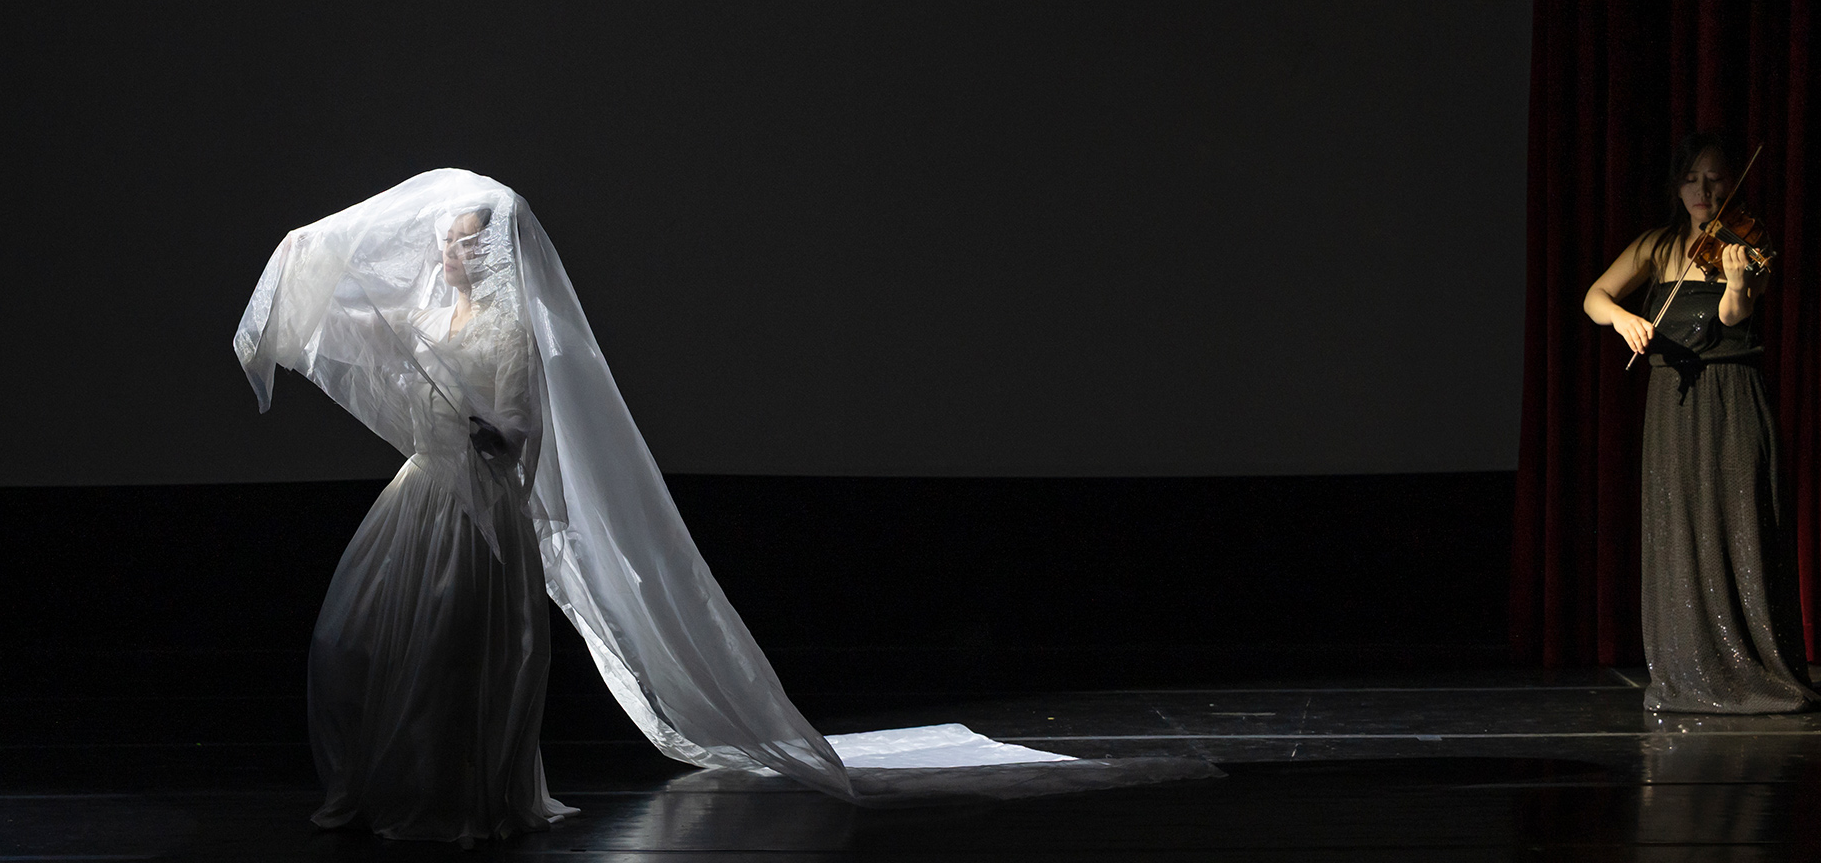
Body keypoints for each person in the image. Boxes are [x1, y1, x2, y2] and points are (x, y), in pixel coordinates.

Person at [234, 170, 1217, 844]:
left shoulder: (516, 330)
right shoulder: (431, 310)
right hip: (425, 500)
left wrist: (472, 425)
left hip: (480, 510)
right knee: (366, 641)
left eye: (463, 242)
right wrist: (311, 273)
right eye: (445, 242)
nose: (449, 253)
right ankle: (391, 786)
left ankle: (462, 799)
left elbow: (519, 430)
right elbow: (370, 342)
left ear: (492, 252)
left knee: (459, 653)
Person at [1582, 133, 1815, 714]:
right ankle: (1689, 668)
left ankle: (1752, 670)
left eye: (1714, 179)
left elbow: (1734, 316)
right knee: (1679, 526)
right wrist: (1621, 319)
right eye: (1691, 179)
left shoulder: (1747, 244)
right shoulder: (1656, 245)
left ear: (1732, 183)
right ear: (1677, 186)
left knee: (1739, 524)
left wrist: (1736, 282)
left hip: (1732, 396)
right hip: (1672, 402)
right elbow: (1595, 296)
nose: (1703, 191)